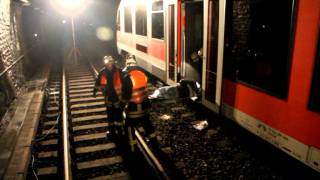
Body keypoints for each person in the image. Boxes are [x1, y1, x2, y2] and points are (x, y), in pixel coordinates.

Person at [122, 55, 157, 152]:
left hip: (133, 108)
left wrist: (121, 104)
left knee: (129, 126)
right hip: (145, 106)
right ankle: (154, 143)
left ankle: (133, 147)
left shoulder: (127, 77)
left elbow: (126, 95)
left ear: (127, 66)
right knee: (147, 124)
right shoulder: (142, 74)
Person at [93, 55, 125, 138]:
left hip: (117, 97)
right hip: (108, 97)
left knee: (118, 115)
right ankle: (112, 131)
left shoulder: (119, 71)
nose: (109, 65)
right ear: (105, 64)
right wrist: (95, 91)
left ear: (113, 63)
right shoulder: (102, 72)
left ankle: (119, 131)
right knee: (110, 115)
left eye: (111, 62)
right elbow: (98, 82)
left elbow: (125, 84)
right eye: (108, 63)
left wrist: (125, 97)